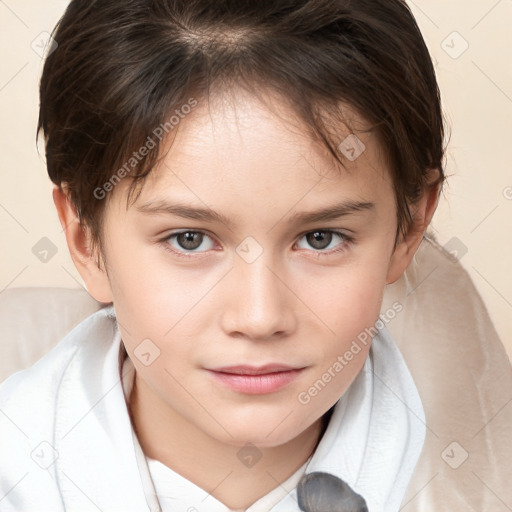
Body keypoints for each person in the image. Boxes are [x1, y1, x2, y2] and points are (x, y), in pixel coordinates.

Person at [0, 0, 446, 510]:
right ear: (87, 241)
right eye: (189, 239)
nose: (259, 318)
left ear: (408, 227)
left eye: (321, 238)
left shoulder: (475, 469)